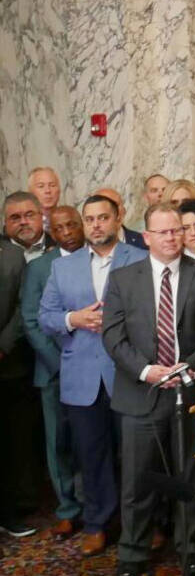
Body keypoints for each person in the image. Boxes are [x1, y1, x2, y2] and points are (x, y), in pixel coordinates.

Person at [101, 203, 195, 576]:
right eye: (164, 232)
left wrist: (189, 366)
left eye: (178, 230)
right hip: (140, 393)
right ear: (147, 237)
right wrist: (147, 371)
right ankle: (132, 552)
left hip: (189, 392)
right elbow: (113, 336)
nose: (173, 237)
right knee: (137, 480)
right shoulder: (123, 279)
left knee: (191, 474)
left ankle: (192, 548)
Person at [39, 196, 149, 556]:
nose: (96, 225)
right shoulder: (63, 267)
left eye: (103, 217)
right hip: (82, 376)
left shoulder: (141, 259)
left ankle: (143, 524)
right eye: (90, 219)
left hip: (130, 374)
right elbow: (46, 317)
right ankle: (97, 524)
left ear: (118, 218)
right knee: (91, 454)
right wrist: (74, 319)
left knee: (136, 456)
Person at [20, 205, 85, 541]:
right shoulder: (39, 267)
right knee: (58, 443)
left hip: (94, 370)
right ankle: (68, 510)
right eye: (59, 228)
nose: (67, 232)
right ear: (51, 231)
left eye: (73, 225)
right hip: (55, 370)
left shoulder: (95, 260)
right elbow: (31, 320)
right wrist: (61, 363)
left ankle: (96, 506)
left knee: (93, 441)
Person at [0, 237, 39, 539]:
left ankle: (7, 514)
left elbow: (22, 307)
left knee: (10, 445)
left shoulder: (13, 255)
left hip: (8, 365)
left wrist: (2, 346)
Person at [5, 191, 53, 260]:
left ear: (41, 216)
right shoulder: (2, 250)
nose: (23, 222)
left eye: (29, 215)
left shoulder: (60, 246)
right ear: (5, 222)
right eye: (15, 218)